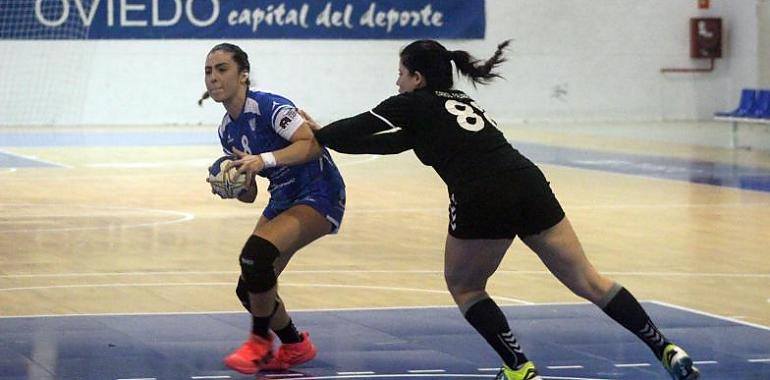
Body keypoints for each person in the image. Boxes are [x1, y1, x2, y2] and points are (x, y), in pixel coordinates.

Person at [305, 40, 700, 380]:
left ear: (418, 79)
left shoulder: (411, 103)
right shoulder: (461, 102)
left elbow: (357, 127)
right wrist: (330, 140)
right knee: (589, 280)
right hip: (528, 182)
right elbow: (390, 144)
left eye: (401, 73)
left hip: (482, 193)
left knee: (465, 287)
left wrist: (315, 134)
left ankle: (518, 367)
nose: (397, 81)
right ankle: (666, 348)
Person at [200, 43, 346, 375]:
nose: (213, 78)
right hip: (283, 196)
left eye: (222, 69)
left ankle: (260, 343)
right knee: (248, 285)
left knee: (256, 257)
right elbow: (250, 195)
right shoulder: (227, 129)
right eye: (208, 71)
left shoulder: (270, 106)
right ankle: (295, 346)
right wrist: (235, 185)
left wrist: (263, 159)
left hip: (318, 190)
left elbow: (311, 143)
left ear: (244, 75)